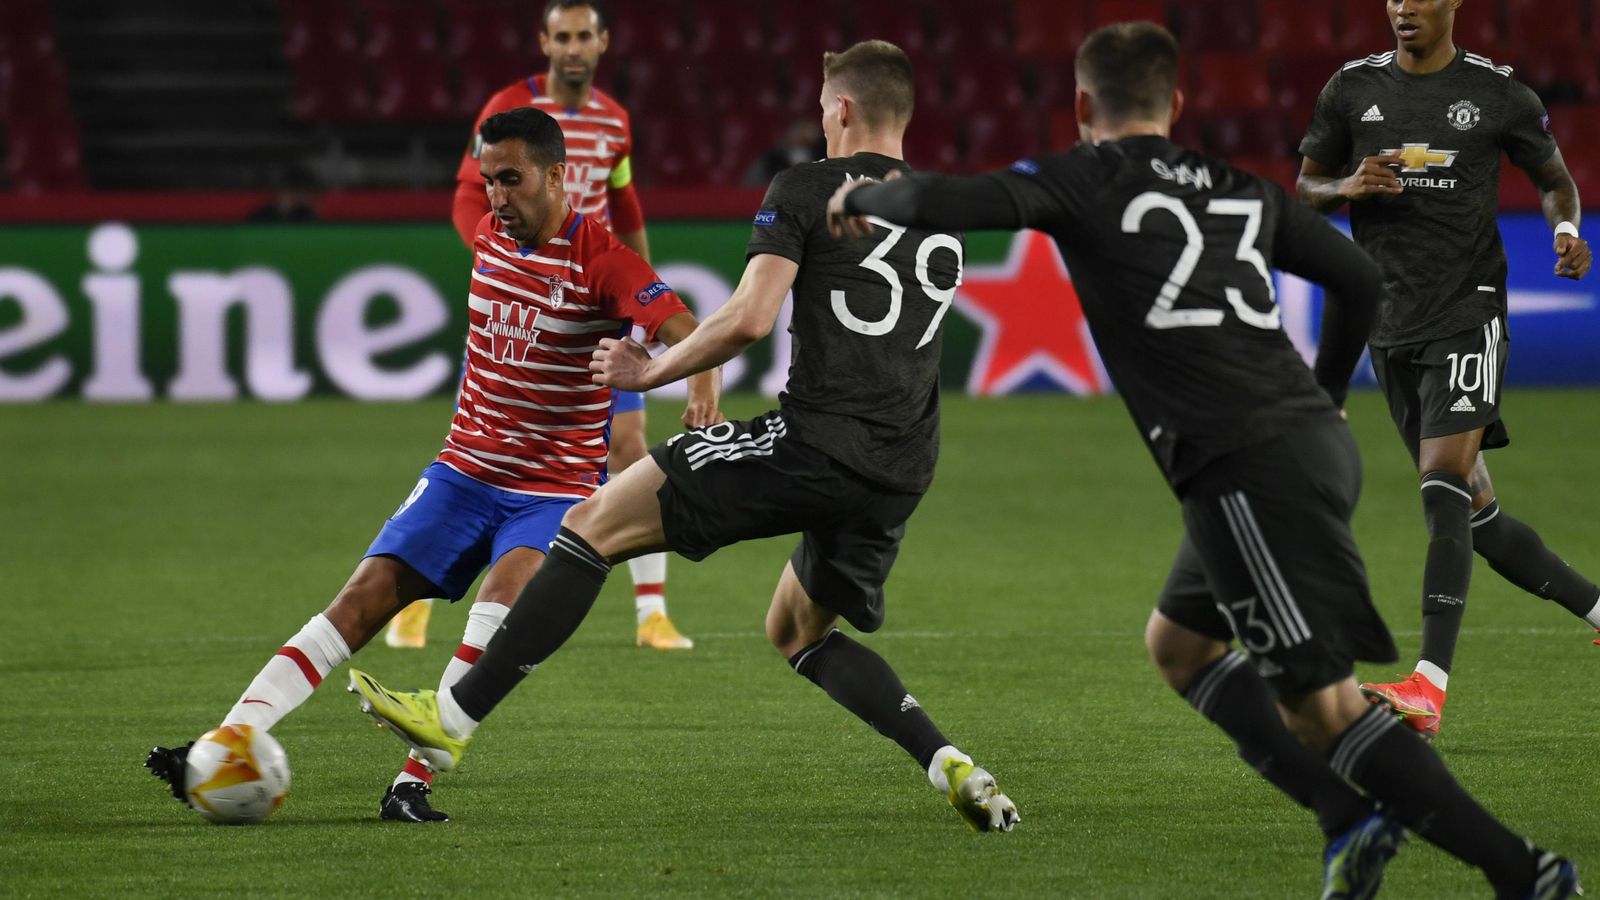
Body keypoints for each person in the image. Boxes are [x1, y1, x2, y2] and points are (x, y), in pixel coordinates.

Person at [823, 21, 1580, 899]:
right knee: (1179, 644)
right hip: (1300, 445)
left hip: (1244, 464)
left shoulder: (1077, 179)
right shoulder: (1237, 187)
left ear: (1079, 106)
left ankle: (1521, 872)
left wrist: (867, 198)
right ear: (1177, 104)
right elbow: (1361, 281)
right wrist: (1329, 395)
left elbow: (956, 202)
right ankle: (1347, 819)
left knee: (1324, 709)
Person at [346, 40, 1020, 834]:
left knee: (586, 527)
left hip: (814, 444)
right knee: (798, 632)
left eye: (821, 105)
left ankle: (450, 717)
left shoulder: (804, 187)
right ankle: (952, 764)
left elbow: (748, 318)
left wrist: (649, 371)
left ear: (840, 110)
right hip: (903, 465)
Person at [146, 107, 722, 825]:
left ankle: (412, 783)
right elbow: (473, 196)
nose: (498, 198)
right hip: (463, 472)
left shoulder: (604, 262)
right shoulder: (488, 231)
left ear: (556, 175)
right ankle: (228, 741)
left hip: (551, 494)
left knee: (495, 613)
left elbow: (692, 332)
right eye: (490, 182)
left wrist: (690, 389)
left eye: (511, 180)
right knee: (356, 603)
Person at [1296, 0, 1597, 741]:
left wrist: (1564, 229)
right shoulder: (1349, 90)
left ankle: (1427, 685)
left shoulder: (1498, 95)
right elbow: (1304, 188)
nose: (1403, 9)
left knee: (1442, 487)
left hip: (1469, 311)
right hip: (1389, 326)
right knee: (1479, 520)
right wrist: (1346, 189)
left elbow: (1555, 178)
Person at [387, 0, 692, 653]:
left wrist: (640, 283)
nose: (573, 48)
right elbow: (469, 194)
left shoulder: (615, 121)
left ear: (603, 42)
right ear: (545, 43)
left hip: (590, 303)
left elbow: (625, 201)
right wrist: (502, 261)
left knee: (630, 446)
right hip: (521, 311)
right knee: (481, 456)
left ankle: (652, 612)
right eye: (562, 37)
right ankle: (414, 599)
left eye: (584, 36)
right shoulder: (508, 107)